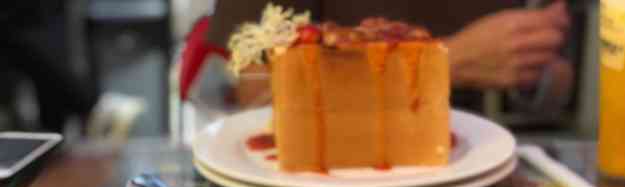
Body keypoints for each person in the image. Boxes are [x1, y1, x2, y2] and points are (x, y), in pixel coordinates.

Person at [204, 0, 573, 115]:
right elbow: (255, 94)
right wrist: (445, 62)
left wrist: (531, 71)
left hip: (462, 171)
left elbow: (561, 80)